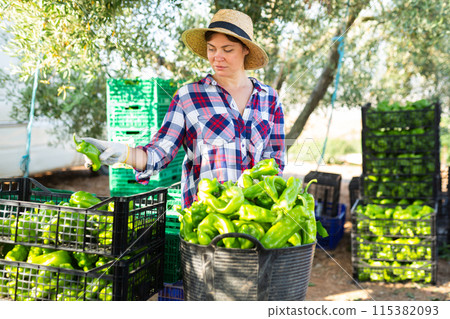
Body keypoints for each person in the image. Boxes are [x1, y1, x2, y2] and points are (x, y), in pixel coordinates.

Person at [82, 9, 286, 208]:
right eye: (211, 48)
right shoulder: (188, 96)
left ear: (245, 49)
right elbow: (159, 152)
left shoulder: (269, 98)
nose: (217, 57)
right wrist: (124, 154)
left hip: (257, 219)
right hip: (205, 219)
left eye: (227, 49)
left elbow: (275, 162)